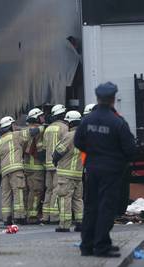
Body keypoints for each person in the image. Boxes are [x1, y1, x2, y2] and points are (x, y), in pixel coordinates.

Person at [74, 82, 137, 257]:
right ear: (113, 99)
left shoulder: (88, 120)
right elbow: (131, 150)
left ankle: (86, 245)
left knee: (91, 206)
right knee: (106, 208)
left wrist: (93, 152)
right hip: (112, 171)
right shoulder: (117, 122)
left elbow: (78, 142)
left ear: (98, 98)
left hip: (92, 169)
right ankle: (101, 246)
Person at [53, 111, 83, 232]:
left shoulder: (70, 135)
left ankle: (64, 225)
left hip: (66, 174)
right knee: (78, 199)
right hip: (78, 173)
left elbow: (58, 152)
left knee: (64, 198)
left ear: (70, 122)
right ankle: (80, 224)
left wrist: (54, 159)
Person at [0, 116, 27, 225]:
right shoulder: (16, 135)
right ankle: (20, 217)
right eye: (13, 125)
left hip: (5, 172)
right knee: (18, 192)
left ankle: (6, 219)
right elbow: (30, 133)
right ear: (10, 126)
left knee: (6, 195)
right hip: (15, 169)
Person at [42, 104, 69, 223]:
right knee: (57, 189)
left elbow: (43, 147)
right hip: (59, 164)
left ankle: (46, 216)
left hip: (48, 164)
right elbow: (66, 145)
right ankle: (54, 216)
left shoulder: (48, 129)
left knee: (49, 190)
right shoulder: (64, 128)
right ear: (62, 115)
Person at [22, 108, 46, 224]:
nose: (43, 118)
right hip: (36, 167)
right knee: (36, 191)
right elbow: (40, 149)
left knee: (28, 192)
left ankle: (27, 214)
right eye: (41, 116)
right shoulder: (39, 131)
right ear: (36, 118)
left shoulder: (26, 130)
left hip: (26, 167)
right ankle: (32, 216)